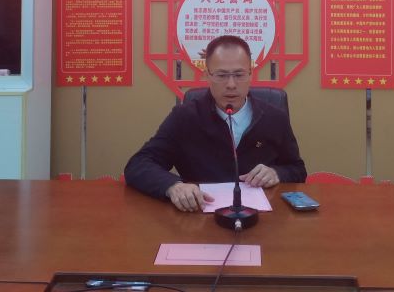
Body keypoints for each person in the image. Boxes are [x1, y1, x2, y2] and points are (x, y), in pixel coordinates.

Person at [124, 35, 306, 212]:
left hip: (260, 218)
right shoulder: (185, 117)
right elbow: (139, 164)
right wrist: (173, 186)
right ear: (207, 75)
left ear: (251, 74)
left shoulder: (274, 118)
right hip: (198, 216)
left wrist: (277, 173)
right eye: (221, 75)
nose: (231, 84)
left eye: (239, 74)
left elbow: (297, 170)